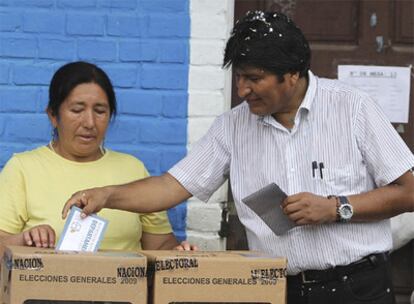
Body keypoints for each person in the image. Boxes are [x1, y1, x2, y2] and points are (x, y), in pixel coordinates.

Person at [62, 11, 414, 304]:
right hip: (276, 289)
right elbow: (171, 186)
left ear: (292, 74)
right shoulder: (232, 127)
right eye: (238, 77)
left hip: (358, 287)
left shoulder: (352, 108)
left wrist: (336, 207)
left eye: (254, 78)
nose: (241, 89)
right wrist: (106, 195)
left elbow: (408, 191)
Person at [0, 61, 195, 256]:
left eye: (100, 111)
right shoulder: (23, 169)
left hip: (126, 286)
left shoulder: (133, 169)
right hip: (48, 286)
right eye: (77, 110)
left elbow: (159, 247)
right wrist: (25, 239)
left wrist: (179, 252)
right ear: (53, 115)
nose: (90, 123)